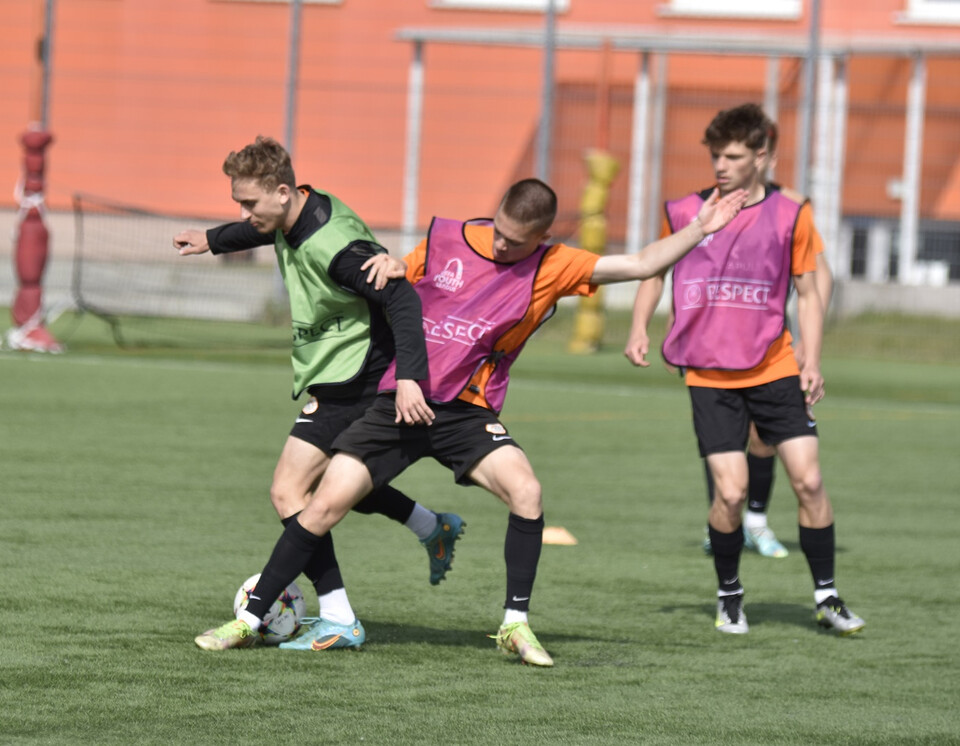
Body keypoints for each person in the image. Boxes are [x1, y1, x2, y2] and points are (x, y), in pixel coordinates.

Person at [193, 177, 747, 665]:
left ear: (542, 236)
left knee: (527, 491)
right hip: (398, 401)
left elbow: (643, 263)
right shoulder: (449, 237)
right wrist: (389, 263)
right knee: (321, 504)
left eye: (515, 240)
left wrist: (701, 227)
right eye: (500, 231)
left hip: (466, 412)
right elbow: (394, 277)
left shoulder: (555, 265)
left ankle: (514, 624)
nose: (502, 244)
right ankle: (249, 619)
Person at [173, 136, 464, 651]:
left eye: (249, 203)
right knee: (337, 485)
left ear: (283, 191)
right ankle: (429, 526)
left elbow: (401, 299)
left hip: (359, 381)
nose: (243, 211)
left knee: (292, 492)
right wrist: (216, 239)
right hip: (337, 372)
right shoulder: (295, 211)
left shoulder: (339, 248)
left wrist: (409, 380)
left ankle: (318, 615)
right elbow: (266, 229)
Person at [623, 103, 864, 636]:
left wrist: (813, 360)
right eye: (715, 156)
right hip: (709, 375)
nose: (721, 166)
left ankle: (826, 597)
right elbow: (654, 269)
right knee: (729, 495)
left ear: (761, 156)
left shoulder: (790, 215)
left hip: (775, 366)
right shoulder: (685, 210)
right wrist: (639, 326)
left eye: (732, 156)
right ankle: (729, 594)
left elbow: (808, 292)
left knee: (810, 480)